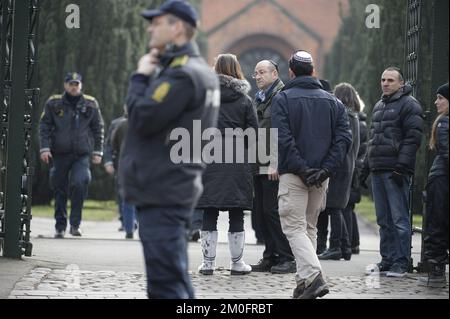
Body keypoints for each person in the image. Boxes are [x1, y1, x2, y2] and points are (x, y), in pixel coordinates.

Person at [119, 0, 220, 299]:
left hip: (162, 187)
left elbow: (140, 117)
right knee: (175, 281)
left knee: (165, 286)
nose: (150, 28)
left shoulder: (181, 75)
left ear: (176, 27)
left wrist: (140, 77)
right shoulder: (199, 71)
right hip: (174, 185)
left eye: (157, 22)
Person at [271, 50, 352, 299]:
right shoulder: (334, 102)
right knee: (309, 228)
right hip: (320, 175)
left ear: (291, 72)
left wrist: (302, 169)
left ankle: (315, 278)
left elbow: (283, 140)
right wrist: (325, 169)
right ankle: (303, 282)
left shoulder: (283, 99)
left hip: (295, 174)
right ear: (313, 71)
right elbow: (343, 140)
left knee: (294, 228)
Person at [196, 54, 257, 276]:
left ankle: (208, 264)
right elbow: (253, 135)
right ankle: (237, 263)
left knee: (209, 210)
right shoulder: (245, 101)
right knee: (236, 211)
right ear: (237, 70)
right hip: (236, 159)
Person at [361, 67, 423, 277]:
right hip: (378, 169)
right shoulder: (379, 105)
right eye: (383, 80)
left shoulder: (409, 104)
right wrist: (365, 170)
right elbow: (373, 140)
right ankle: (387, 259)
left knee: (399, 219)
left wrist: (401, 167)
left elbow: (413, 138)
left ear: (401, 83)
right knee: (383, 220)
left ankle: (401, 262)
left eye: (390, 80)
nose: (385, 83)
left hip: (395, 170)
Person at [39, 72, 104, 239]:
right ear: (65, 85)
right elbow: (44, 127)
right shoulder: (54, 103)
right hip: (59, 154)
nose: (74, 87)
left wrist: (98, 151)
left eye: (76, 84)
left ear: (81, 85)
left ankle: (75, 224)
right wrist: (44, 148)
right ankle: (60, 226)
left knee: (80, 182)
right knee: (59, 188)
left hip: (81, 154)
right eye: (70, 84)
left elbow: (98, 128)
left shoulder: (90, 103)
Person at [250, 59, 296, 275]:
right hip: (259, 163)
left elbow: (282, 133)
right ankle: (270, 256)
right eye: (255, 73)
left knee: (273, 212)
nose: (257, 76)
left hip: (272, 166)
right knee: (261, 212)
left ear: (274, 74)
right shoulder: (260, 98)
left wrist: (276, 162)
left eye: (261, 72)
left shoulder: (280, 97)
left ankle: (286, 257)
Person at [318, 83, 360, 261]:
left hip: (339, 166)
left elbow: (341, 142)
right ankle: (344, 246)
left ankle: (336, 246)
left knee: (334, 207)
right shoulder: (354, 116)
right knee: (338, 207)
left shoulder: (345, 116)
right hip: (347, 164)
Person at [419, 83, 448, 288]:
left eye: (440, 98)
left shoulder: (444, 122)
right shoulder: (444, 123)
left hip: (441, 179)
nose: (436, 102)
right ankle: (437, 269)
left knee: (437, 222)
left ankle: (437, 269)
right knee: (438, 222)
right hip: (441, 180)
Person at [104, 109, 137, 239]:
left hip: (125, 163)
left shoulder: (121, 125)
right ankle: (136, 225)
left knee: (127, 197)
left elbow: (112, 144)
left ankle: (129, 228)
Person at [104, 105, 128, 232]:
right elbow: (109, 145)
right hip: (120, 163)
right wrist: (108, 162)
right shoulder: (116, 124)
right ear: (124, 107)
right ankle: (125, 221)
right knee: (121, 192)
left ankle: (132, 221)